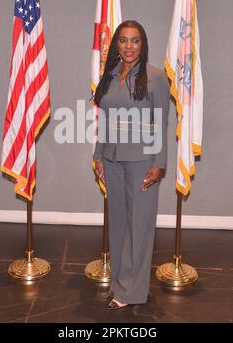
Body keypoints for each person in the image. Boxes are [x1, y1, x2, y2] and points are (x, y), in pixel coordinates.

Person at [93, 20, 170, 309]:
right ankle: (119, 283)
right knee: (119, 225)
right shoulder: (110, 75)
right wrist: (98, 154)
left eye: (134, 40)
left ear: (143, 44)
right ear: (116, 45)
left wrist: (159, 163)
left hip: (142, 162)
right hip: (112, 161)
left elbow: (161, 124)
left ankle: (133, 292)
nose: (128, 46)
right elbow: (104, 120)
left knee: (139, 227)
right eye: (123, 40)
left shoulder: (155, 77)